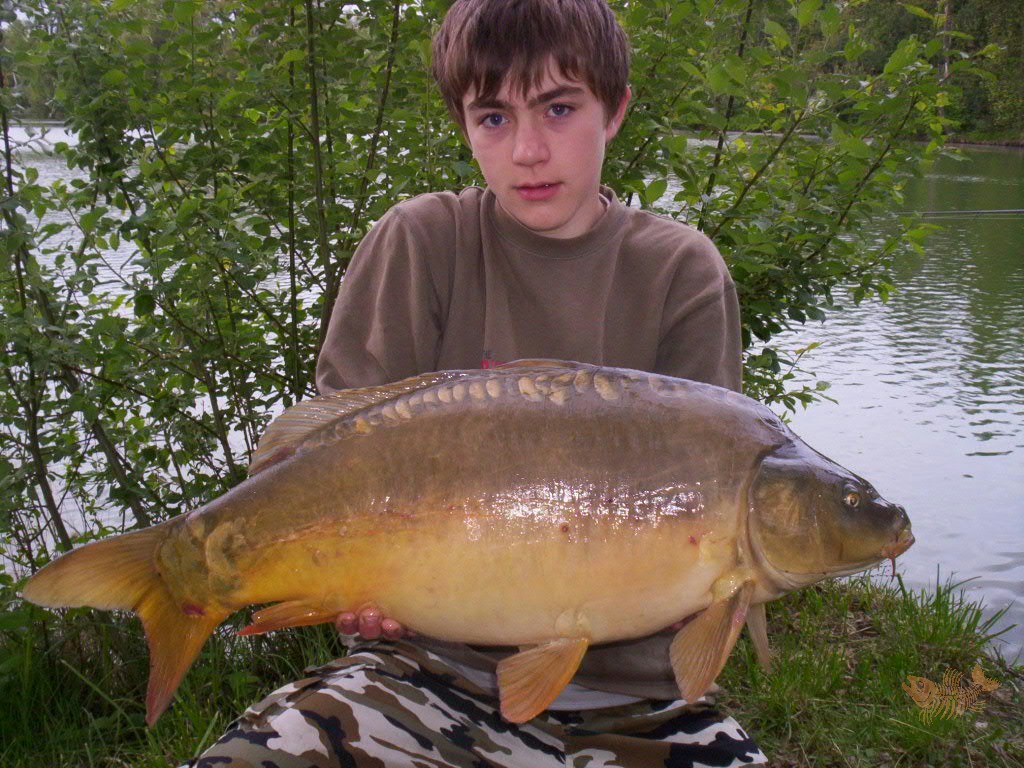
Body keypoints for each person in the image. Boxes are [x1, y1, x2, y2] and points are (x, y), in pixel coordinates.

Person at [196, 0, 765, 765]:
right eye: (493, 118)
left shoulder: (681, 272)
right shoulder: (421, 242)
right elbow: (320, 455)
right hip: (421, 672)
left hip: (636, 700)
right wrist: (355, 590)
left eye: (559, 109)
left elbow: (717, 495)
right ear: (462, 124)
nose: (528, 150)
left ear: (615, 110)